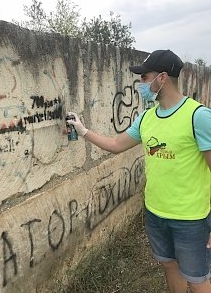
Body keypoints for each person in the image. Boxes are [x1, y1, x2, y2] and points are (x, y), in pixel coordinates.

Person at [67, 49, 211, 293]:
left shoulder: (199, 116)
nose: (140, 84)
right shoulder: (146, 118)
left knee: (197, 279)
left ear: (162, 78)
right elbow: (115, 145)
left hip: (191, 219)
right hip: (155, 213)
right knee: (170, 267)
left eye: (144, 78)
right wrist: (83, 131)